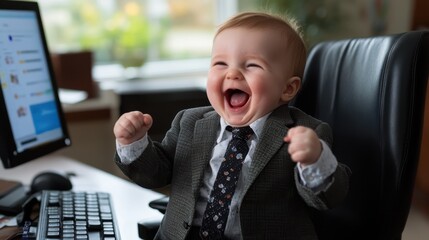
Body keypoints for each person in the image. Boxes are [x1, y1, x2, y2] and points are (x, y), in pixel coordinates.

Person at [113, 11, 351, 240]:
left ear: (287, 88)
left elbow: (327, 199)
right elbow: (156, 174)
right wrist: (133, 143)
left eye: (252, 65)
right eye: (220, 64)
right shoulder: (189, 122)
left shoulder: (306, 133)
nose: (233, 73)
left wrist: (314, 159)